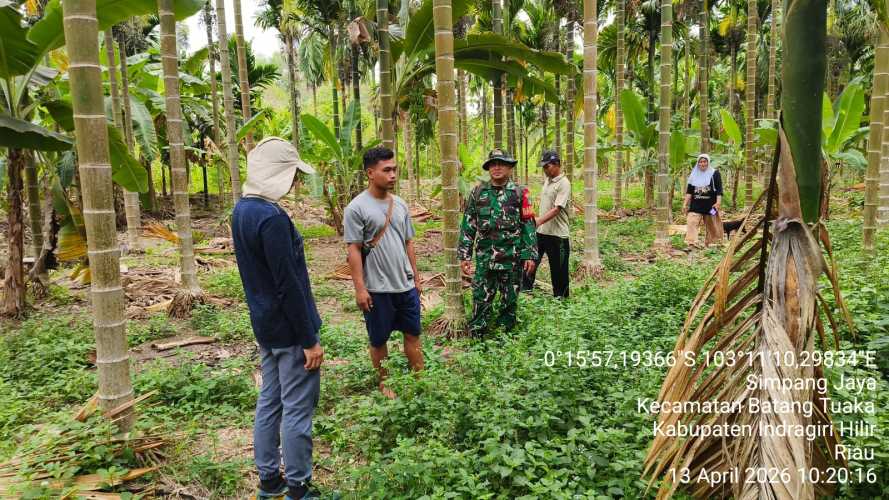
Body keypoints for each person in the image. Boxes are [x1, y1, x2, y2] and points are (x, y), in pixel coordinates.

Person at [231, 137, 324, 500]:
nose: (295, 182)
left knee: (270, 400)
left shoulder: (242, 210)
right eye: (292, 174)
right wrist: (309, 339)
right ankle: (299, 487)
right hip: (288, 330)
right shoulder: (271, 218)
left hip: (264, 325)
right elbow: (288, 284)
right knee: (298, 407)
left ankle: (269, 480)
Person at [344, 147, 424, 399]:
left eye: (394, 169)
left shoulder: (399, 204)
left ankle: (419, 381)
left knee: (413, 334)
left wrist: (416, 276)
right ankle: (385, 383)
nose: (392, 175)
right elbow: (354, 249)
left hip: (405, 285)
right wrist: (360, 288)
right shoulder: (356, 208)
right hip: (377, 289)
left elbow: (408, 242)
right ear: (370, 173)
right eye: (386, 170)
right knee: (379, 340)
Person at [459, 149, 538, 338]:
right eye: (492, 164)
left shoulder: (520, 193)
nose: (496, 167)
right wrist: (464, 255)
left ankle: (505, 337)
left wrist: (530, 254)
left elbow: (528, 224)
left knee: (509, 300)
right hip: (486, 258)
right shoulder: (478, 192)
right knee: (480, 298)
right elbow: (469, 224)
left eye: (501, 163)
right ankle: (477, 335)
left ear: (510, 167)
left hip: (512, 258)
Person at [522, 150, 572, 298]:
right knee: (529, 262)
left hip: (558, 236)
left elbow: (557, 209)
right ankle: (525, 293)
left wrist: (538, 221)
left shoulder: (564, 183)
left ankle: (561, 300)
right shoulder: (548, 181)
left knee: (559, 271)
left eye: (547, 166)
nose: (544, 170)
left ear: (557, 164)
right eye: (543, 167)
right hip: (541, 233)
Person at [683, 153, 725, 247]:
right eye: (700, 162)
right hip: (695, 205)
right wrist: (685, 203)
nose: (703, 164)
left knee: (713, 223)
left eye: (705, 161)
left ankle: (713, 242)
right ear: (698, 163)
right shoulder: (694, 175)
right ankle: (691, 242)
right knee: (691, 221)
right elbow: (689, 191)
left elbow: (719, 190)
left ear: (708, 162)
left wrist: (718, 203)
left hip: (711, 205)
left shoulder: (715, 173)